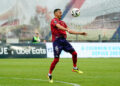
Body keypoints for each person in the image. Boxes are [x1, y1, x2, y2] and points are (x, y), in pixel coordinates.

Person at [48, 8, 87, 83]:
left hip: (64, 40)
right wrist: (66, 29)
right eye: (60, 13)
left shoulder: (63, 22)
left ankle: (74, 68)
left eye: (61, 13)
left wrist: (80, 33)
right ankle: (49, 74)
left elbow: (70, 31)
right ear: (55, 14)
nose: (61, 14)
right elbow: (58, 26)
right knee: (56, 60)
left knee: (74, 53)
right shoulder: (54, 21)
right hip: (57, 41)